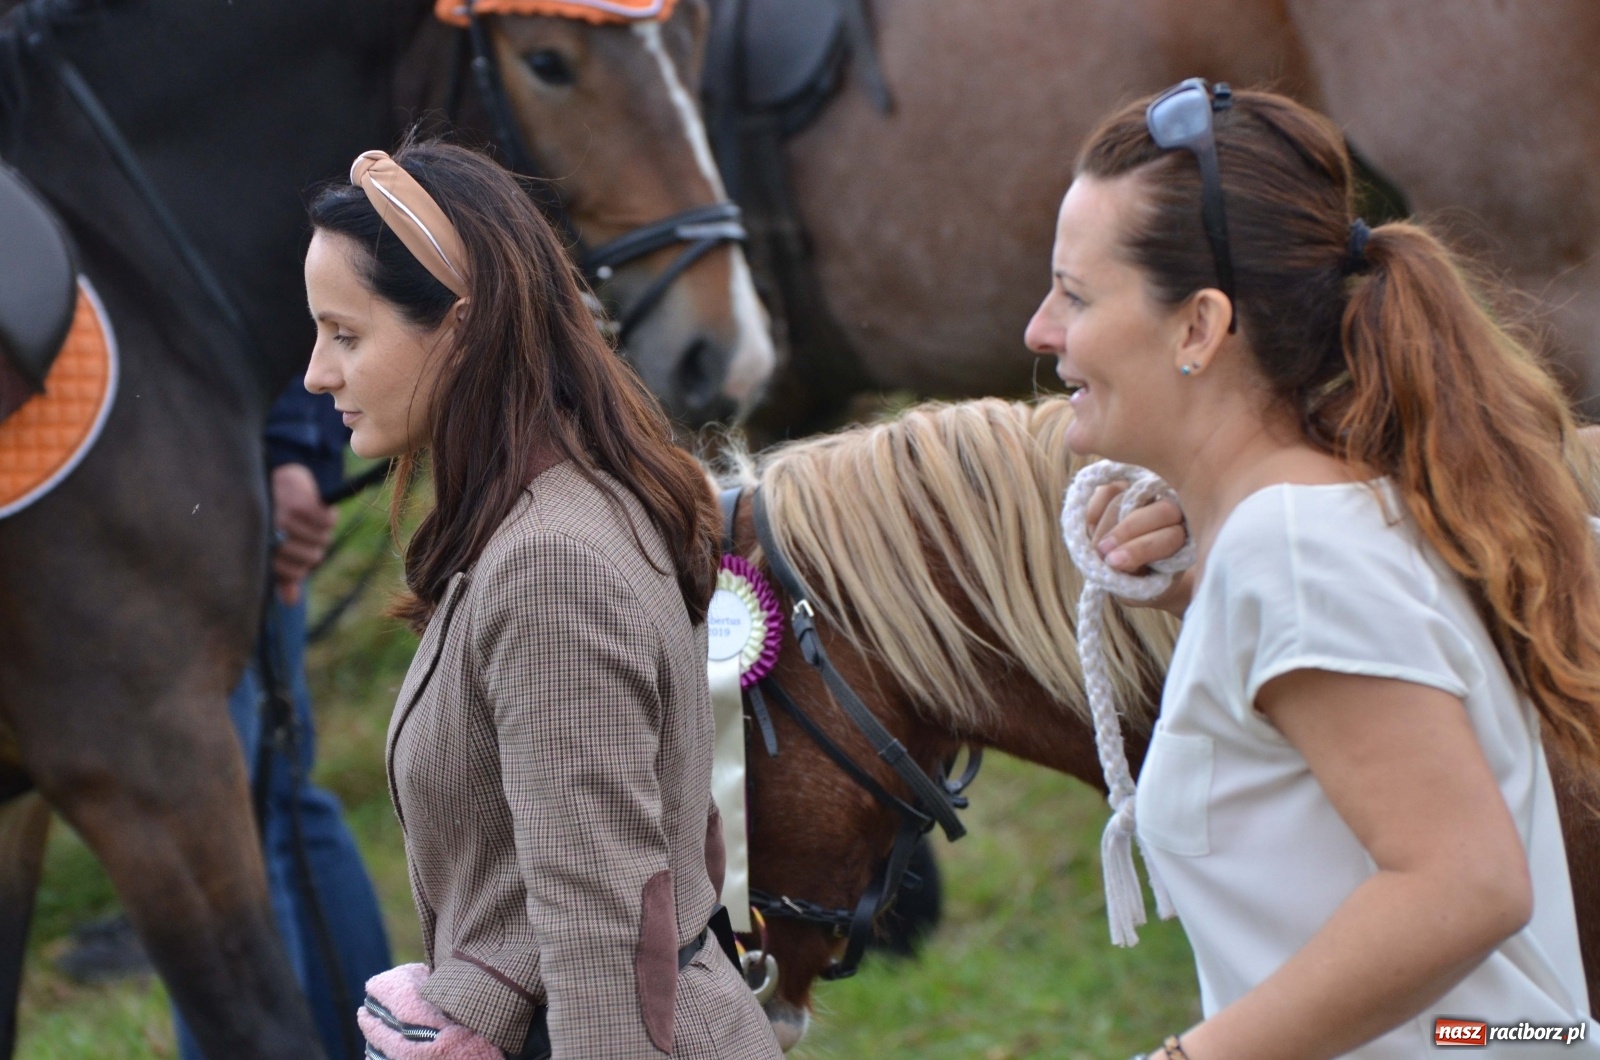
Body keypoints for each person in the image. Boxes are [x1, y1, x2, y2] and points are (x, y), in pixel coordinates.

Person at [1024, 82, 1600, 1058]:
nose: (1041, 331)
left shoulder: (1291, 550)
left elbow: (1466, 884)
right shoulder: (1315, 525)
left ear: (1199, 328)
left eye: (1074, 295)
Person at [302, 141, 783, 1059]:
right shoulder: (576, 500)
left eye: (347, 334)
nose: (319, 372)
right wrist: (481, 986)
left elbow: (606, 923)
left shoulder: (549, 566)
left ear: (462, 330)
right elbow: (615, 844)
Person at [172, 382, 393, 1060]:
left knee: (219, 821)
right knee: (270, 800)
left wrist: (289, 447)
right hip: (207, 473)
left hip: (207, 487)